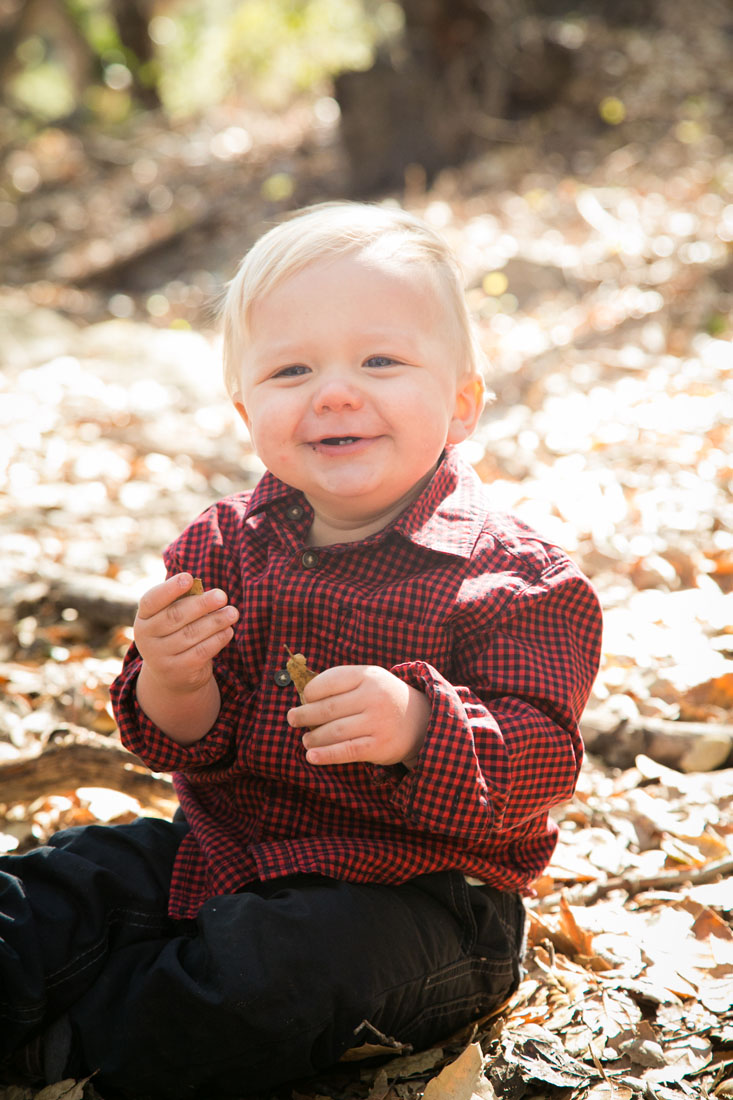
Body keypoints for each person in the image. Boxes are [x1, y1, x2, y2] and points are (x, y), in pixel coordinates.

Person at [0, 201, 603, 1099]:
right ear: (248, 411)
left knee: (274, 972)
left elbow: (542, 765)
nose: (333, 391)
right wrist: (172, 676)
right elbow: (177, 742)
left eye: (380, 360)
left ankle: (74, 1045)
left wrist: (417, 725)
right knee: (57, 885)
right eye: (291, 369)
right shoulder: (220, 548)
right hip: (222, 851)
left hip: (422, 904)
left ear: (462, 404)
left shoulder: (515, 580)